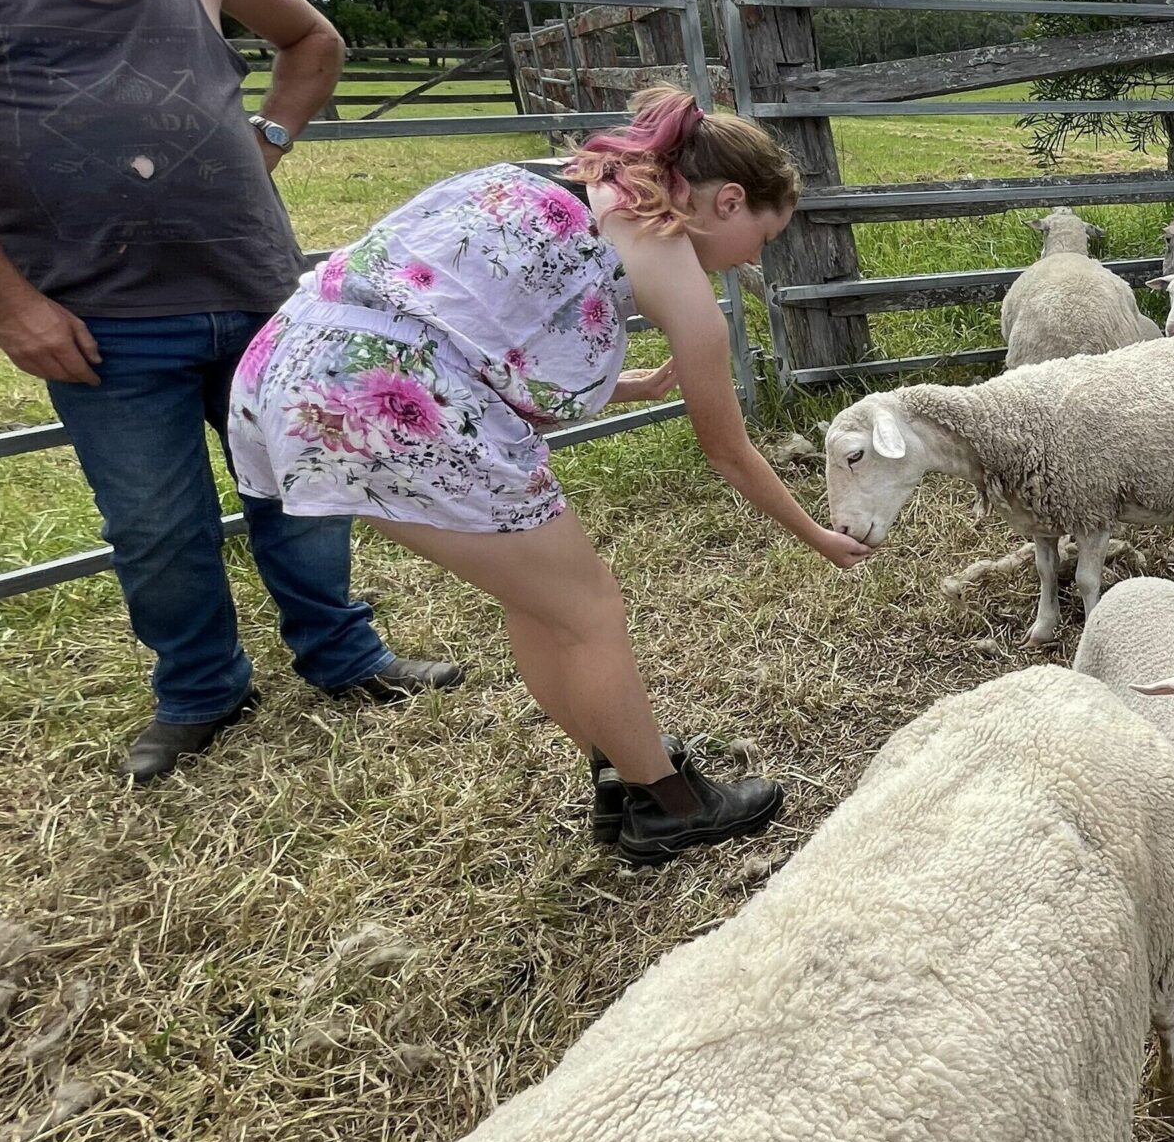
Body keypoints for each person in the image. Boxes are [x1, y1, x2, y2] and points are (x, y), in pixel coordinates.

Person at [0, 0, 459, 784]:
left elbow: (313, 41)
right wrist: (7, 299)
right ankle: (202, 688)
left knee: (301, 489)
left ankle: (344, 657)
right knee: (157, 525)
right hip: (98, 310)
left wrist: (262, 143)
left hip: (257, 287)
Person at [226, 87, 871, 865]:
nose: (754, 259)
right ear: (728, 200)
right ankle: (668, 804)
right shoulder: (667, 247)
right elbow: (728, 452)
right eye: (761, 236)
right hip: (381, 391)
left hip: (292, 364)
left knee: (540, 602)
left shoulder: (556, 182)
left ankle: (618, 767)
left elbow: (474, 312)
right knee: (590, 606)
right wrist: (816, 535)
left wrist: (625, 385)